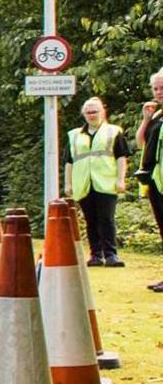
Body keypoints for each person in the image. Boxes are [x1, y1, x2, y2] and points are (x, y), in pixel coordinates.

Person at [65, 95, 129, 266]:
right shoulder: (74, 135)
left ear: (103, 112)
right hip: (84, 183)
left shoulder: (113, 132)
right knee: (90, 219)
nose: (92, 115)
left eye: (95, 111)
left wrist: (121, 179)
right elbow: (69, 161)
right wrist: (68, 184)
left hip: (106, 182)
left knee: (106, 218)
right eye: (88, 112)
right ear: (83, 114)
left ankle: (111, 254)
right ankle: (95, 254)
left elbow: (121, 157)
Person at [136, 71, 163, 290]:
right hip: (155, 179)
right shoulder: (157, 115)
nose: (158, 92)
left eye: (162, 88)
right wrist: (146, 119)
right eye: (155, 88)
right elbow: (140, 141)